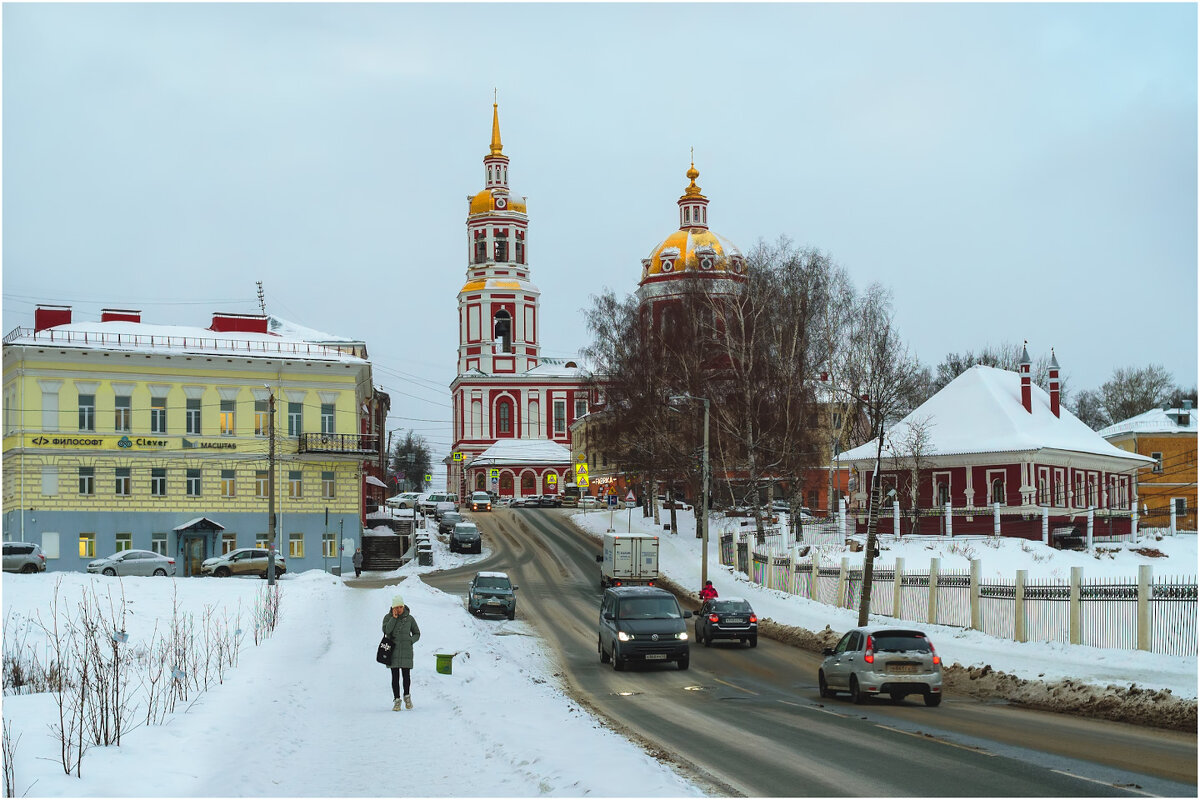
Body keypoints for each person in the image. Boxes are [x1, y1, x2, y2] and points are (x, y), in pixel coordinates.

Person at [382, 594, 421, 711]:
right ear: (392, 608)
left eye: (400, 607)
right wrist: (393, 618)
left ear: (403, 606)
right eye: (396, 607)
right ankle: (397, 700)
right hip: (392, 651)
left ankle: (407, 697)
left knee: (406, 676)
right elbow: (386, 630)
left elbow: (417, 633)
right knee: (395, 677)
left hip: (406, 651)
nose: (398, 609)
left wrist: (411, 641)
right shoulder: (387, 618)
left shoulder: (410, 619)